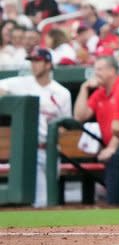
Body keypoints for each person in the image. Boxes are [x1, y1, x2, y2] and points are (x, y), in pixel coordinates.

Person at [0, 48, 71, 208]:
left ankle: (47, 231)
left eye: (37, 61)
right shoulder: (22, 82)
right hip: (30, 150)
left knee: (48, 198)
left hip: (51, 149)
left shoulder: (62, 92)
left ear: (48, 64)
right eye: (32, 61)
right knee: (41, 200)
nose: (34, 65)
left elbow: (66, 124)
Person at [73, 56, 119, 205]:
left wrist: (112, 147)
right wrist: (84, 88)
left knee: (114, 159)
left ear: (112, 71)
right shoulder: (100, 92)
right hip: (112, 148)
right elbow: (80, 116)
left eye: (99, 69)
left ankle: (116, 207)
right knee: (107, 159)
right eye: (95, 69)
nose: (96, 73)